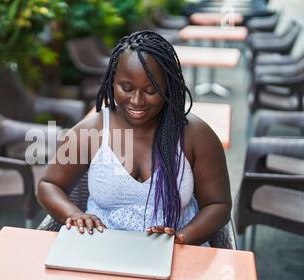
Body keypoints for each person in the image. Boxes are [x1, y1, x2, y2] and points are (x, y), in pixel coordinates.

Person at [37, 30, 231, 246]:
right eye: (126, 88)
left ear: (169, 86)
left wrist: (181, 238)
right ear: (112, 82)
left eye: (151, 90)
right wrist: (73, 213)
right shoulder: (93, 131)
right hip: (102, 248)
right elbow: (49, 184)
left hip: (176, 253)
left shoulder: (195, 134)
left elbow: (218, 205)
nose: (137, 101)